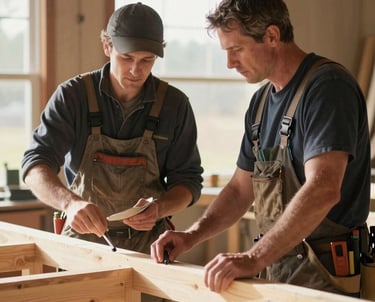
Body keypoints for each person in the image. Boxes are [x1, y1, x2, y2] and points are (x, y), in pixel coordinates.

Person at [151, 0, 370, 296]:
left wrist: (254, 258)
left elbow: (323, 188)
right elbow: (241, 190)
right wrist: (191, 236)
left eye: (236, 49)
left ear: (271, 36)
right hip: (277, 267)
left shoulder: (328, 88)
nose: (230, 63)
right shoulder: (261, 102)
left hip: (326, 272)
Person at [21, 3, 203, 255]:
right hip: (81, 243)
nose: (136, 70)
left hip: (149, 246)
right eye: (126, 57)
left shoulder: (175, 105)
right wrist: (70, 203)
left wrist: (160, 208)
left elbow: (189, 181)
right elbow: (34, 166)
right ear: (107, 46)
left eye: (147, 60)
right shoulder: (73, 96)